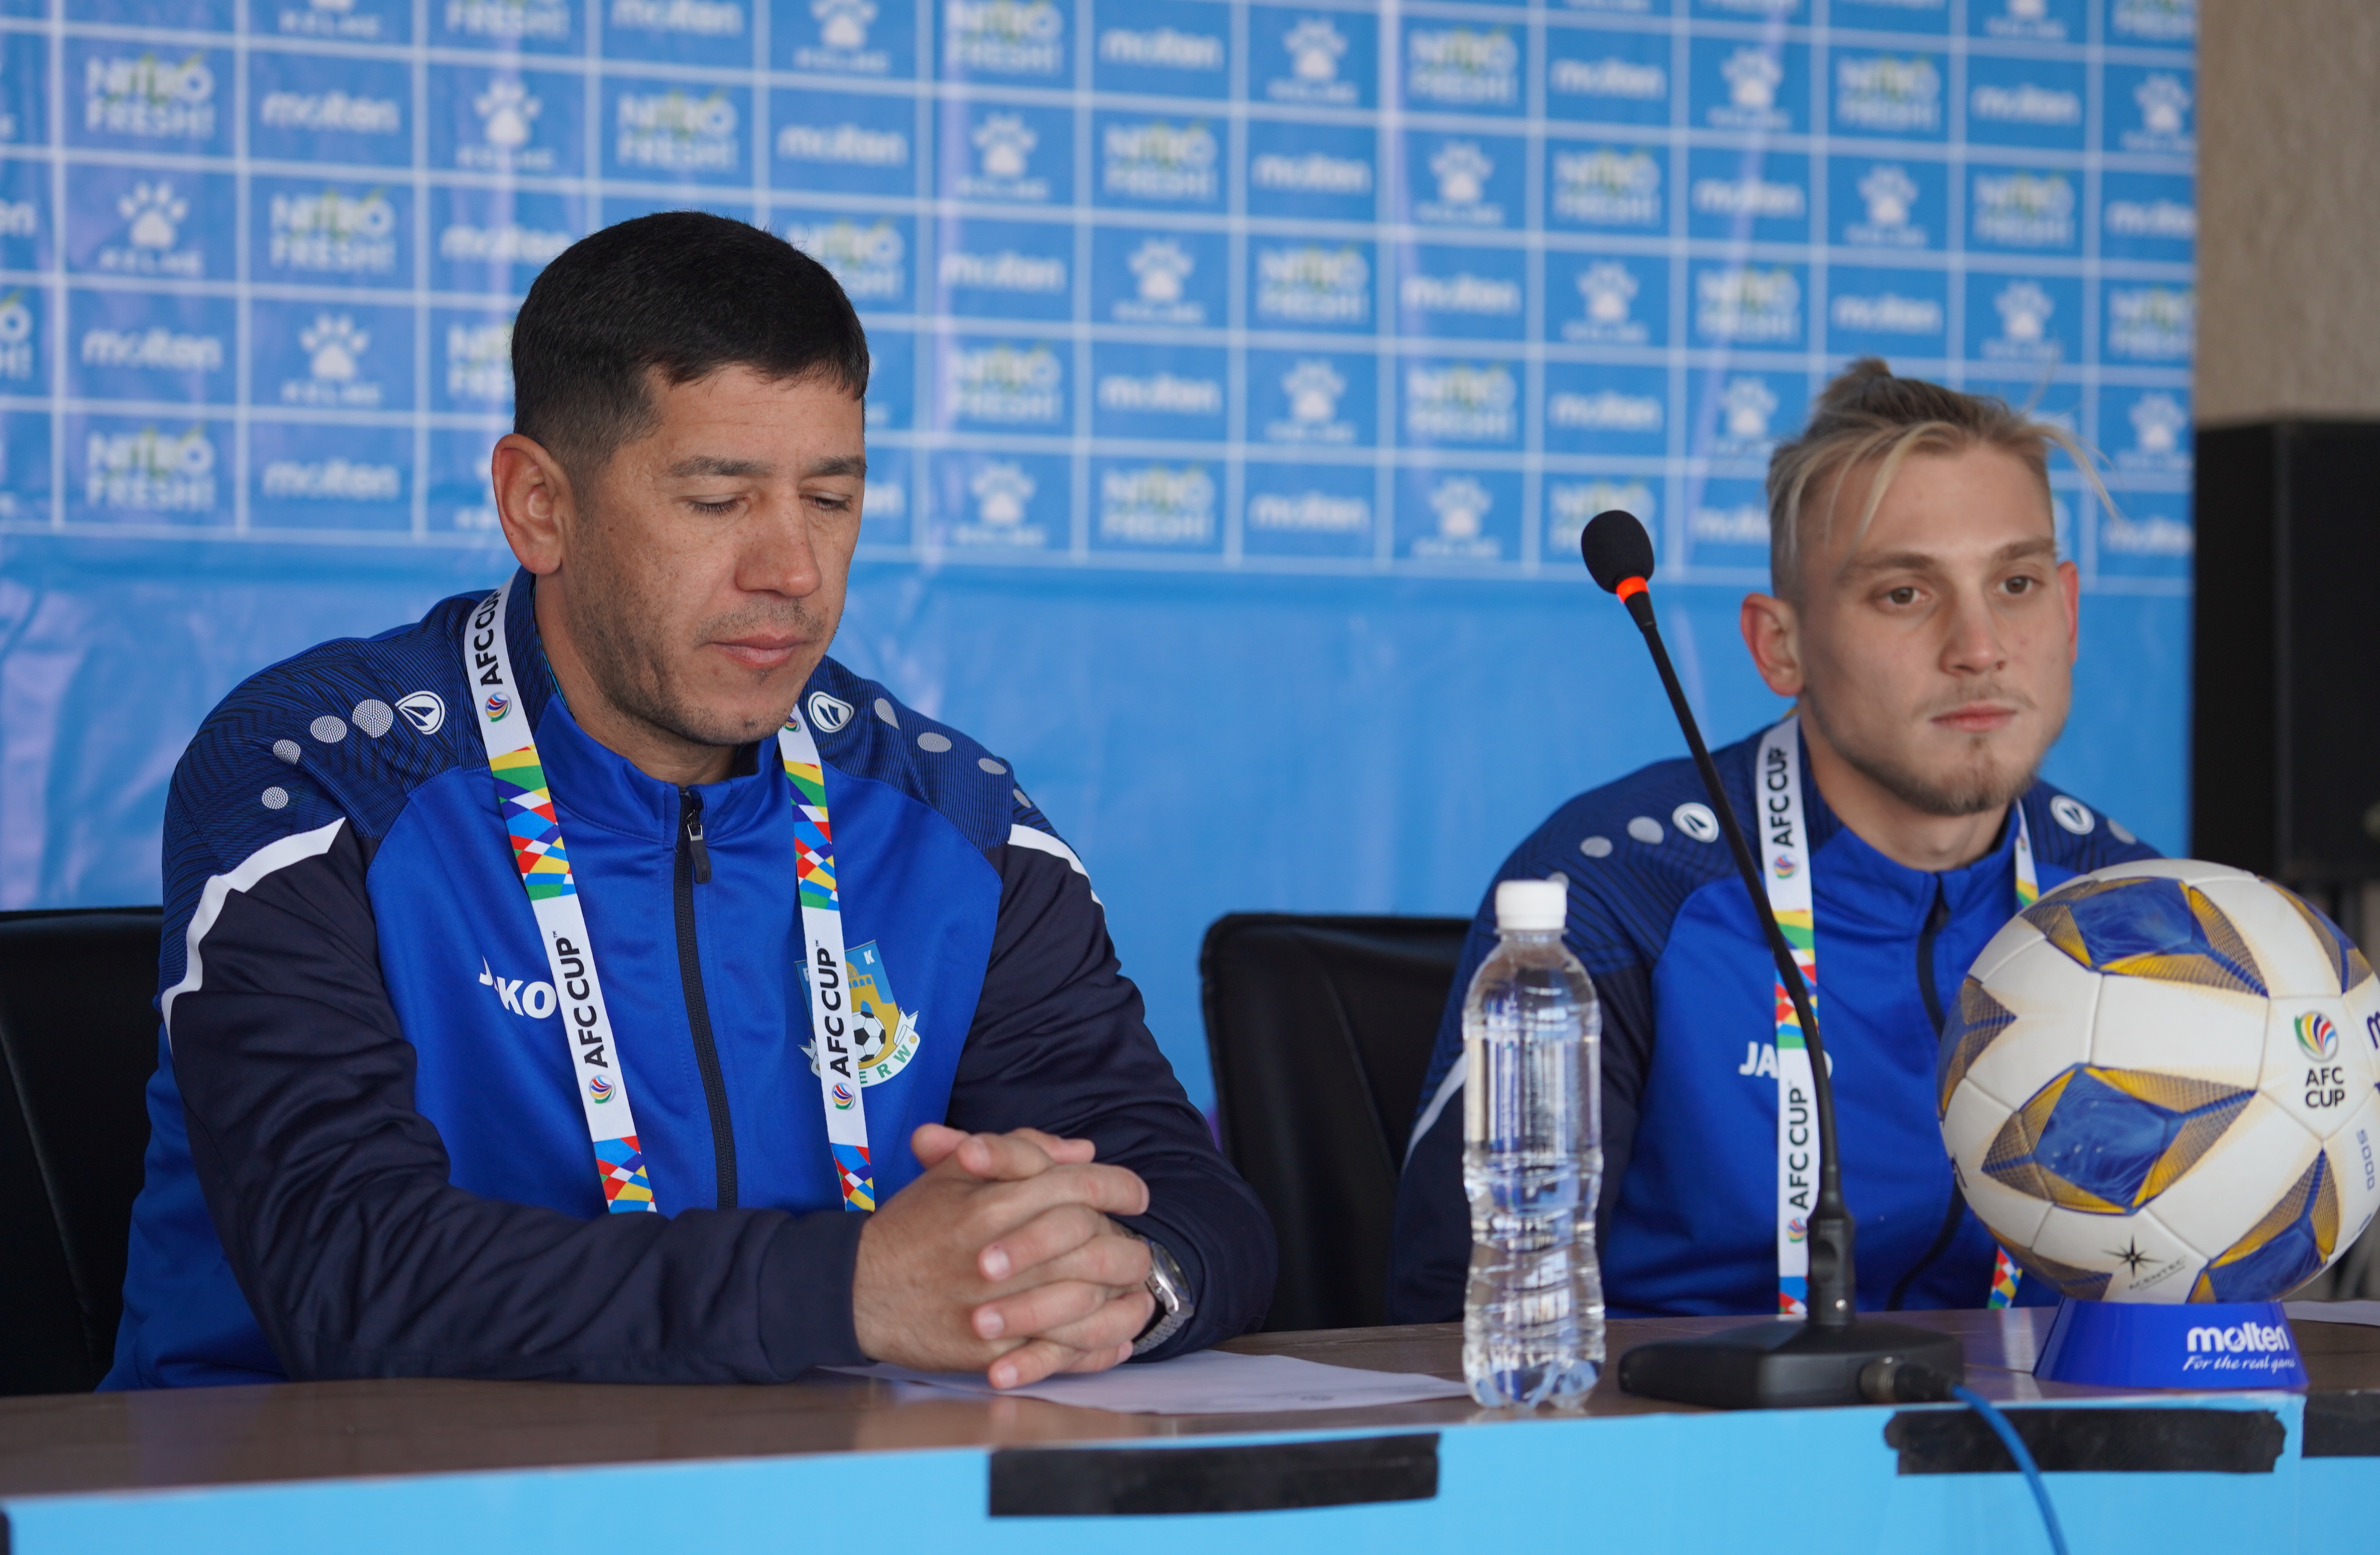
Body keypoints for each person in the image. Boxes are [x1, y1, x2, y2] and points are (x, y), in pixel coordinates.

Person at [107, 212, 1273, 1389]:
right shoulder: (324, 773)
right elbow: (346, 1265)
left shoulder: (947, 815)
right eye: (719, 501)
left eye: (830, 500)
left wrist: (1116, 1286)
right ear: (539, 505)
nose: (793, 571)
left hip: (820, 1483)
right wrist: (848, 1292)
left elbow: (1185, 1200)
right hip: (339, 1486)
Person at [1389, 360, 2154, 1323]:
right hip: (1669, 1414)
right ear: (1778, 646)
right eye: (1904, 593)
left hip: (2039, 1417)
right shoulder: (1623, 888)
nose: (1979, 647)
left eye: (2016, 582)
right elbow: (1462, 1311)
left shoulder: (2142, 911)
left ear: (2070, 610)